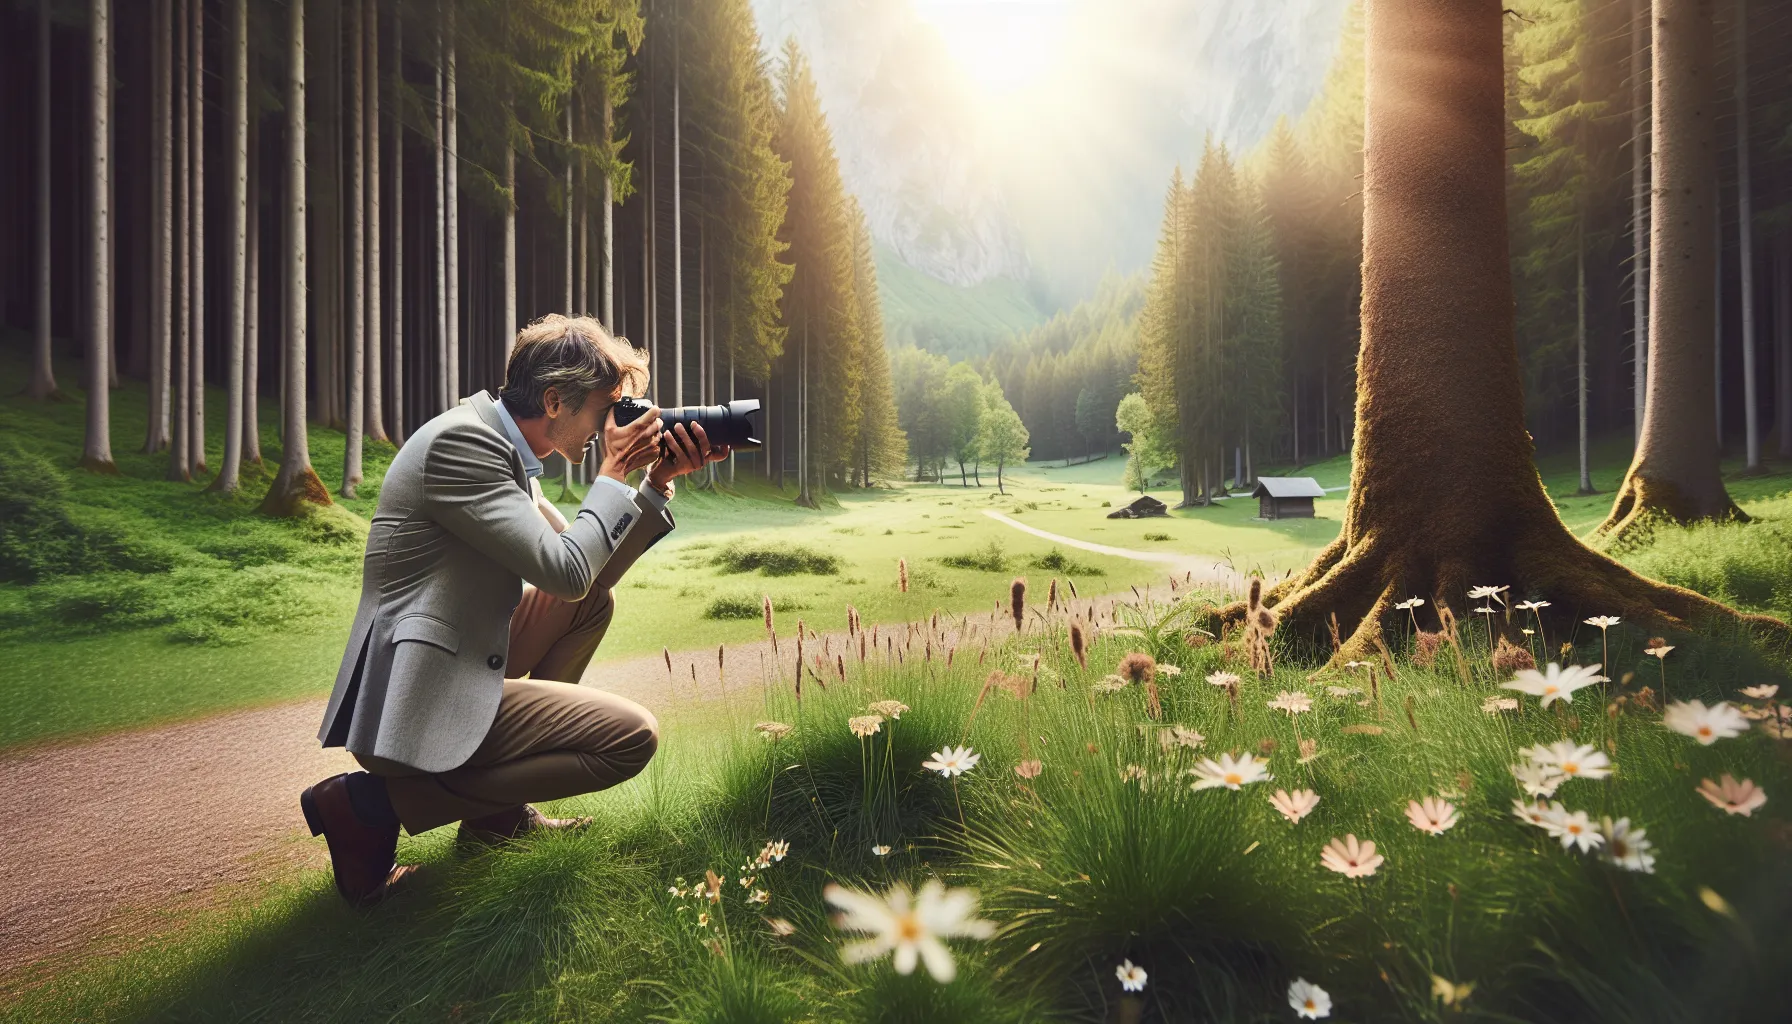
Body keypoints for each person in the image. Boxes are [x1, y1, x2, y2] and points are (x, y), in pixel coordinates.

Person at [299, 314, 727, 906]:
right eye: (605, 409)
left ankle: (493, 821)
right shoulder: (463, 445)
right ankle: (368, 805)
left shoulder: (504, 449)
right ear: (554, 400)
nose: (612, 425)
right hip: (415, 694)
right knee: (630, 738)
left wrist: (657, 482)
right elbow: (565, 572)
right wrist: (612, 471)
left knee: (591, 605)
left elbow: (586, 577)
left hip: (455, 657)